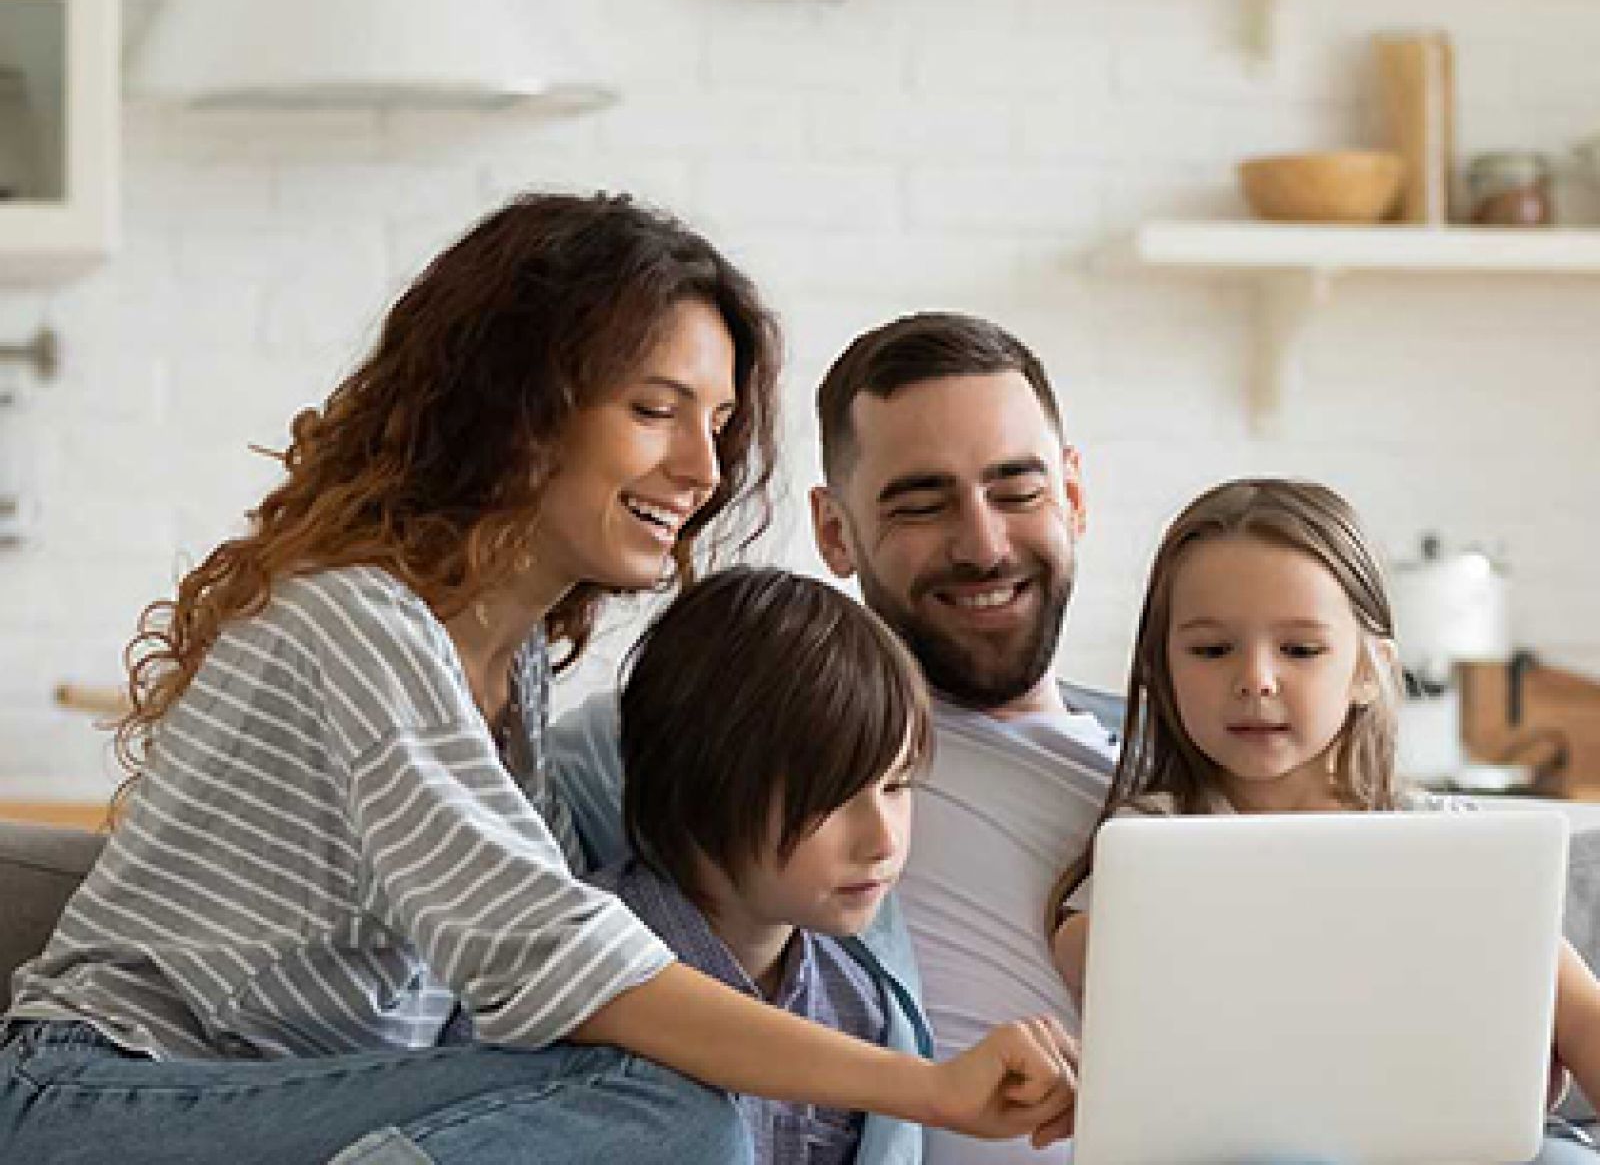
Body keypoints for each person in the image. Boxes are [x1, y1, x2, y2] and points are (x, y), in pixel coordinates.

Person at [0, 196, 1078, 1165]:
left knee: (660, 1109)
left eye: (715, 424)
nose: (702, 472)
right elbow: (551, 952)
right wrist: (930, 1088)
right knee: (671, 1118)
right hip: (103, 1097)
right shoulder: (353, 621)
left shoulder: (511, 669)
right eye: (656, 411)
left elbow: (624, 852)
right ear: (519, 406)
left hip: (294, 1105)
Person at [552, 311, 1120, 1165]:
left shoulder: (1171, 755)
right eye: (921, 504)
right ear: (834, 532)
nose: (983, 543)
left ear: (1073, 495)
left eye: (1018, 491)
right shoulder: (718, 724)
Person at [1048, 477, 1600, 1159]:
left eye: (1301, 650)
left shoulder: (1444, 839)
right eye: (1211, 650)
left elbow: (1582, 1019)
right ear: (1163, 672)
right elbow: (1083, 955)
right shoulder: (1153, 839)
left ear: (1370, 670)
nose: (1256, 679)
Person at [592, 564, 936, 1164]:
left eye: (898, 786)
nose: (884, 840)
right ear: (703, 786)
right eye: (832, 799)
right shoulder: (578, 968)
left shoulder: (858, 1005)